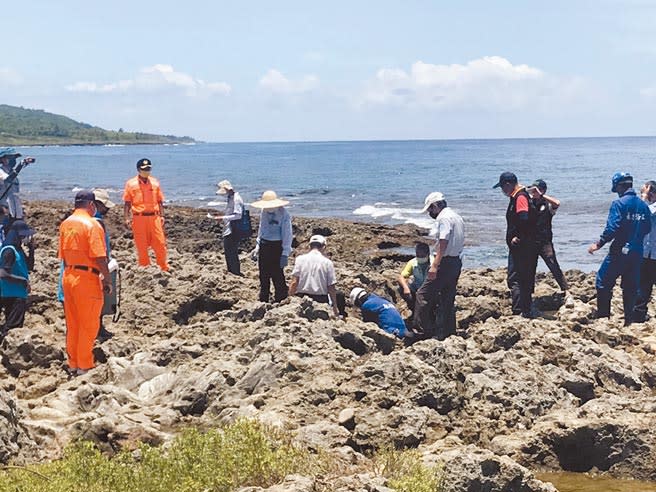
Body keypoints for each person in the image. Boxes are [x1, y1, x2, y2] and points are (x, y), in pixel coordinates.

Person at [59, 190, 111, 375]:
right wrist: (106, 278)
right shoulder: (92, 225)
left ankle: (73, 363)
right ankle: (85, 365)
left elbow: (63, 256)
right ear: (92, 205)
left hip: (68, 275)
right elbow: (99, 257)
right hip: (87, 279)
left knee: (73, 324)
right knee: (88, 324)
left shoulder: (66, 224)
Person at [588, 172, 651, 326]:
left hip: (619, 251)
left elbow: (612, 228)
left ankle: (603, 318)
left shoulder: (619, 204)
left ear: (619, 186)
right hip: (637, 252)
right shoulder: (643, 205)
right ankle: (628, 321)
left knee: (602, 282)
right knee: (630, 287)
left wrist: (598, 244)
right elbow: (647, 228)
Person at [413, 192, 465, 340]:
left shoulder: (444, 218)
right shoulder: (457, 217)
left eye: (430, 210)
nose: (430, 213)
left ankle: (421, 332)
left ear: (435, 206)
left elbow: (443, 241)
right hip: (456, 261)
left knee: (422, 295)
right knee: (447, 298)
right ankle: (448, 332)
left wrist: (435, 265)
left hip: (444, 262)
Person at [493, 172, 538, 318]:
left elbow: (524, 218)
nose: (502, 191)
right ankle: (525, 307)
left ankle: (520, 309)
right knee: (522, 276)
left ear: (508, 185)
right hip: (526, 245)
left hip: (522, 247)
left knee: (517, 277)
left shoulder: (520, 197)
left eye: (502, 188)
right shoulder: (520, 196)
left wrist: (518, 237)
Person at [528, 179, 573, 306]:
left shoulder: (547, 204)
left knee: (553, 264)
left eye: (536, 190)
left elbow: (557, 203)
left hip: (545, 241)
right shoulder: (530, 202)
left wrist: (541, 195)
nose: (534, 193)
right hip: (531, 240)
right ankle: (529, 295)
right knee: (530, 267)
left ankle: (566, 290)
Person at [123, 158, 169, 271]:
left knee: (160, 243)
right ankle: (144, 268)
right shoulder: (131, 184)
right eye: (144, 169)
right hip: (139, 218)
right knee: (141, 245)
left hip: (154, 217)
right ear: (138, 170)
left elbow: (160, 201)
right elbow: (127, 203)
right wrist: (126, 218)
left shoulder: (155, 182)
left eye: (148, 169)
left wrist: (162, 215)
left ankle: (163, 267)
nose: (147, 171)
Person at [250, 190, 292, 302]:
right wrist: (257, 246)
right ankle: (263, 299)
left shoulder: (284, 214)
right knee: (263, 275)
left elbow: (287, 235)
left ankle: (280, 299)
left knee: (277, 275)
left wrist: (285, 253)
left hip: (277, 247)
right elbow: (262, 229)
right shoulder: (264, 212)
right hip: (265, 245)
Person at [289, 235, 345, 317]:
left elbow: (294, 282)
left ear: (309, 246)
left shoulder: (300, 259)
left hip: (301, 298)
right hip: (320, 300)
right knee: (340, 295)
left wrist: (290, 299)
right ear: (324, 247)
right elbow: (331, 287)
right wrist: (335, 308)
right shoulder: (327, 263)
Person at [0, 220, 34, 338]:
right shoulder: (9, 250)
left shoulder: (18, 249)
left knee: (13, 325)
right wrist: (23, 281)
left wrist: (31, 249)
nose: (26, 237)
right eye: (23, 235)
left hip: (18, 293)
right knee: (13, 327)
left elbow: (29, 266)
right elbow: (3, 273)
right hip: (11, 293)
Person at [634, 181, 656, 322]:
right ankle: (639, 314)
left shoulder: (651, 209)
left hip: (651, 254)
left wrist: (643, 195)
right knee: (643, 286)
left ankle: (639, 314)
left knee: (643, 285)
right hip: (648, 252)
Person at [211, 180, 244, 275]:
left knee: (231, 251)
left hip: (234, 229)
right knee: (229, 251)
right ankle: (232, 270)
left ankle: (235, 272)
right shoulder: (231, 198)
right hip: (229, 228)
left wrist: (223, 218)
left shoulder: (236, 199)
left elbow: (238, 215)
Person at [397, 243, 434, 315]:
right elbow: (401, 277)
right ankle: (413, 307)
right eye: (418, 255)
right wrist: (405, 288)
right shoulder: (412, 263)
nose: (420, 257)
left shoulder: (434, 263)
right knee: (401, 288)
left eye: (422, 255)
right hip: (417, 288)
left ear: (428, 254)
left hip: (430, 290)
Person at [0, 147, 32, 219]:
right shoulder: (1, 171)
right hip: (4, 209)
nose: (13, 160)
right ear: (3, 159)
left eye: (14, 158)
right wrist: (20, 165)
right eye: (10, 157)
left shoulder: (12, 171)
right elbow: (8, 179)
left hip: (15, 210)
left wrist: (25, 163)